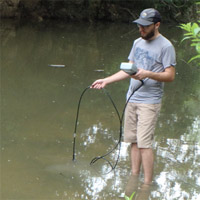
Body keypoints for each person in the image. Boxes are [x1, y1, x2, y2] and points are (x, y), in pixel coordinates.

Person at [91, 8, 176, 185]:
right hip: (132, 98)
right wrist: (106, 80)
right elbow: (128, 70)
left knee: (145, 144)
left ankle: (146, 185)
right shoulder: (137, 42)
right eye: (139, 26)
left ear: (157, 25)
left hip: (150, 102)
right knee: (133, 141)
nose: (141, 30)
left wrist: (148, 73)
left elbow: (170, 76)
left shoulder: (166, 46)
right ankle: (134, 176)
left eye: (145, 26)